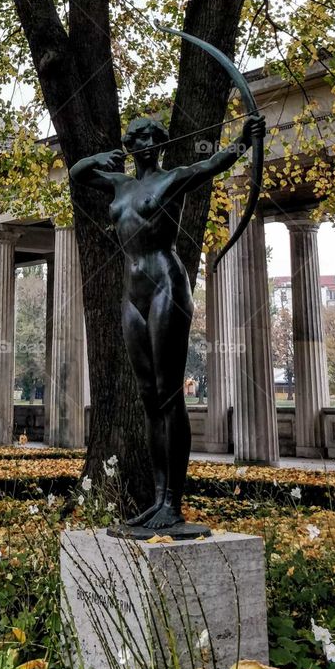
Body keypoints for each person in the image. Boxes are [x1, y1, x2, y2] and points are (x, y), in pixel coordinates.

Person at [69, 112, 263, 530]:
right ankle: (157, 499)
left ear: (158, 143)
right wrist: (101, 156)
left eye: (149, 136)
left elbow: (212, 164)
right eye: (135, 137)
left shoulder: (172, 178)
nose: (142, 142)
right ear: (130, 144)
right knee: (147, 396)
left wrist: (244, 141)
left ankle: (172, 501)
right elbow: (78, 172)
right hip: (132, 295)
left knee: (168, 394)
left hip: (166, 287)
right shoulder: (119, 184)